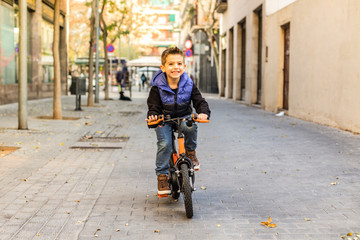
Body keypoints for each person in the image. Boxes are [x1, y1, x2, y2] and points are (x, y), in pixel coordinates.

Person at [146, 46, 211, 195]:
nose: (176, 67)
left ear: (184, 66)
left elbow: (199, 101)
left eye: (179, 64)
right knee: (165, 144)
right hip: (164, 118)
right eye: (171, 64)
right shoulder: (157, 87)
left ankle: (190, 153)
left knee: (190, 126)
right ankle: (162, 176)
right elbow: (153, 106)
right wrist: (153, 116)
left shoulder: (188, 84)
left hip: (183, 117)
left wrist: (203, 113)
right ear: (163, 67)